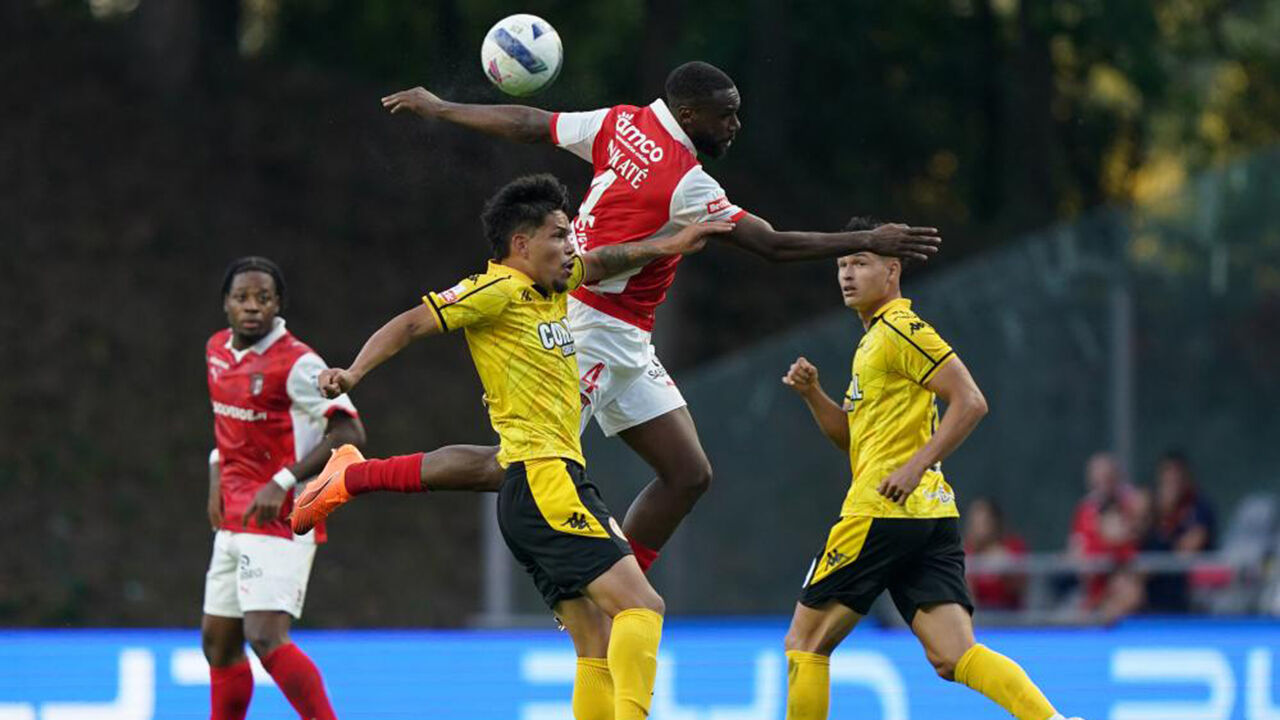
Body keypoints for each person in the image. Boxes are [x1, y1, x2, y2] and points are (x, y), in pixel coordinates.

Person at [362, 60, 943, 573]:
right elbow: (770, 245)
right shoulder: (690, 184)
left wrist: (443, 108)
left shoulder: (619, 122)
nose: (735, 127)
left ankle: (621, 585)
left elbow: (531, 125)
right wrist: (872, 236)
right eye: (726, 116)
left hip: (629, 340)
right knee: (504, 465)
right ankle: (359, 476)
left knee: (689, 474)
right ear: (689, 113)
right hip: (586, 329)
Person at [295, 175, 730, 720]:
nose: (571, 247)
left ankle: (354, 476)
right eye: (559, 236)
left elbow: (604, 262)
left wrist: (669, 243)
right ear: (521, 245)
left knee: (594, 638)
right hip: (545, 483)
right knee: (643, 607)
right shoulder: (493, 290)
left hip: (539, 486)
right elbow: (410, 324)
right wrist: (353, 372)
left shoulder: (557, 283)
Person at [777, 219, 1080, 720]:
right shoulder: (874, 340)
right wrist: (813, 394)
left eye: (860, 263)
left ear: (892, 270)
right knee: (953, 654)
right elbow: (854, 441)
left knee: (804, 643)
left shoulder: (901, 329)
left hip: (879, 512)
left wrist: (918, 464)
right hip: (927, 519)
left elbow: (971, 401)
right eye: (841, 265)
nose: (847, 275)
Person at [203, 256, 366, 720]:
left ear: (279, 305)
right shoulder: (216, 350)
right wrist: (217, 469)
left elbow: (350, 433)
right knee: (219, 644)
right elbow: (226, 421)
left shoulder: (298, 362)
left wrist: (283, 480)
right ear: (226, 304)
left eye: (263, 298)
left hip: (282, 516)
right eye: (242, 298)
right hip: (234, 513)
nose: (252, 307)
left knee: (264, 635)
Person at [1141, 450, 1216, 612]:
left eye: (1177, 475)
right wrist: (1157, 513)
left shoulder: (1199, 507)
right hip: (1151, 581)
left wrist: (1168, 517)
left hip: (1184, 580)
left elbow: (1187, 551)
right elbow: (1137, 540)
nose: (1172, 480)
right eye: (1168, 475)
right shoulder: (1151, 507)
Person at [962, 497, 1028, 611]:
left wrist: (1004, 564)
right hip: (979, 616)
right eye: (974, 522)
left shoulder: (1013, 545)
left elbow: (1021, 587)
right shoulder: (965, 551)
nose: (977, 527)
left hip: (1010, 615)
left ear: (995, 522)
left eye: (983, 521)